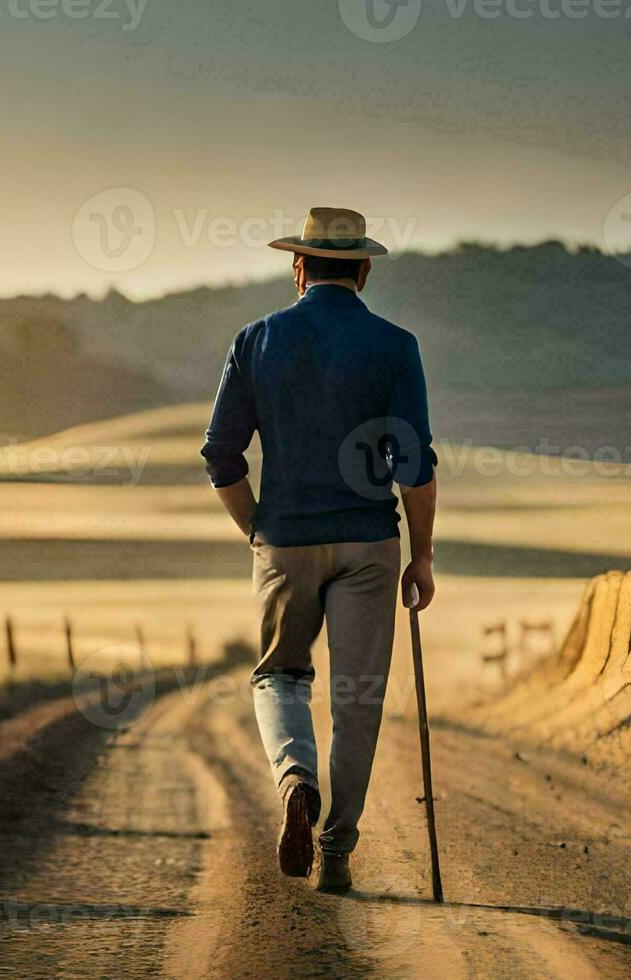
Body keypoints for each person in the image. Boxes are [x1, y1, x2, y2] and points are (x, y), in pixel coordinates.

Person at [201, 206, 438, 892]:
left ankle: (295, 781)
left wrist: (256, 527)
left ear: (297, 266)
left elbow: (220, 455)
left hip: (285, 538)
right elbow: (415, 464)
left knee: (279, 676)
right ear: (364, 271)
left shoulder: (256, 340)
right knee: (357, 697)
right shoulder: (397, 346)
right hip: (370, 541)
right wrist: (421, 556)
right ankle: (337, 848)